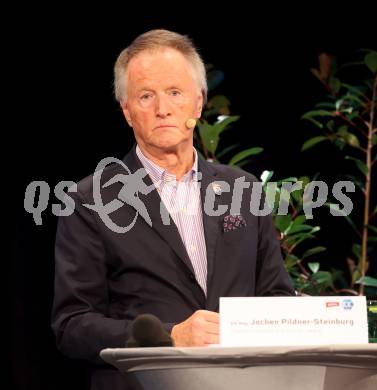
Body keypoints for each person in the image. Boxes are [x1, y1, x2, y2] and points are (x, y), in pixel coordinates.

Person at [52, 29, 294, 390]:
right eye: (146, 96)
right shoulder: (90, 201)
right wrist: (171, 336)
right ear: (127, 110)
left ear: (198, 104)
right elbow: (72, 326)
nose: (162, 108)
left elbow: (277, 298)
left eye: (175, 93)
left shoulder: (243, 189)